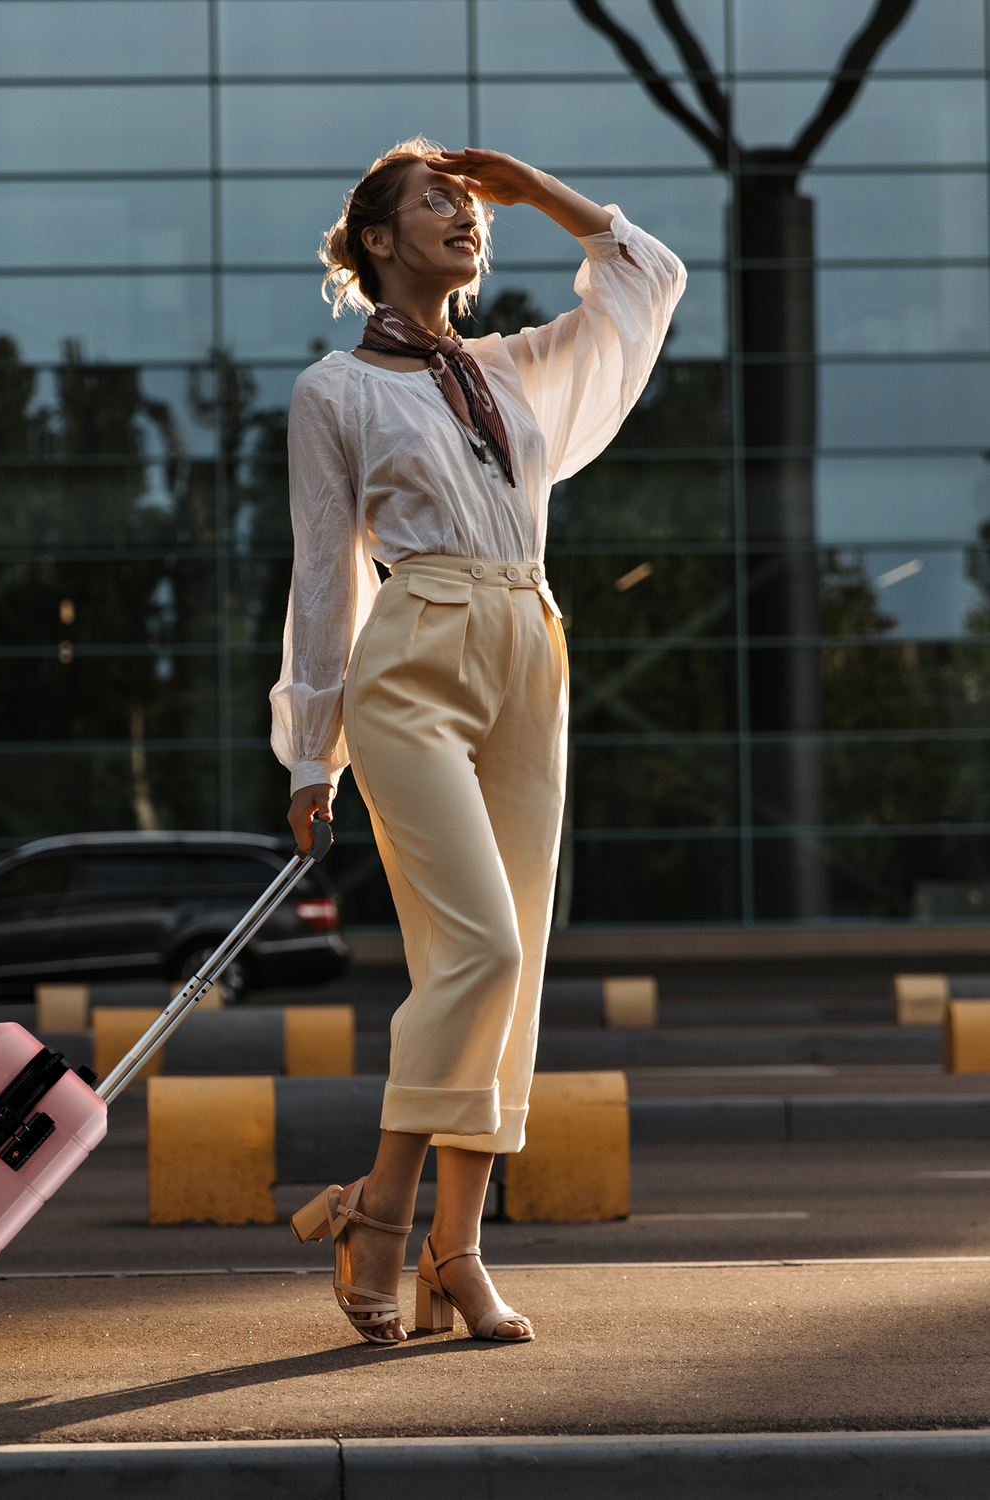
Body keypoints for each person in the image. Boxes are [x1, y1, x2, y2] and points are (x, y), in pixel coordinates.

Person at [274, 137, 685, 1345]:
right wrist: (312, 750)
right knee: (482, 953)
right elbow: (320, 572)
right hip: (412, 657)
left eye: (471, 205)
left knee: (519, 974)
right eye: (437, 204)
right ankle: (387, 1215)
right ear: (377, 242)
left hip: (530, 642)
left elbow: (647, 272)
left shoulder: (516, 371)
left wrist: (536, 187)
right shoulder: (336, 391)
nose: (466, 218)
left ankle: (459, 1252)